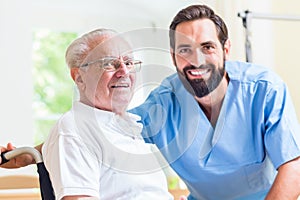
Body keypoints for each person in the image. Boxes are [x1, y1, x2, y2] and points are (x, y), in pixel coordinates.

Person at [2, 4, 300, 200]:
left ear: (226, 49)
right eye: (185, 50)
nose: (196, 60)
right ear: (173, 57)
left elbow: (293, 165)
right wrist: (33, 153)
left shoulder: (264, 90)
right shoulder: (165, 103)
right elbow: (100, 129)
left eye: (207, 47)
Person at [2, 29, 173, 200]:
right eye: (109, 63)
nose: (124, 72)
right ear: (79, 77)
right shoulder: (74, 131)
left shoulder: (127, 126)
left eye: (128, 63)